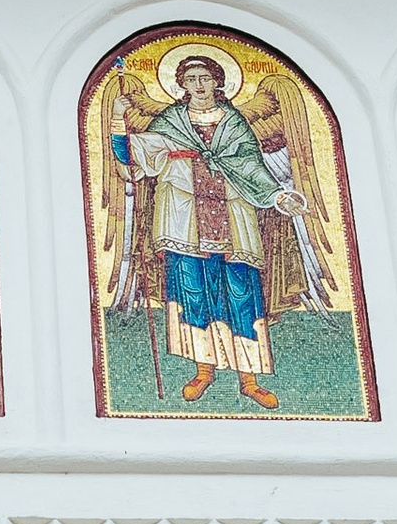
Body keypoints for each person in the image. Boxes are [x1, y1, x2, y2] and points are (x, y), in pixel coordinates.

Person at [108, 50, 330, 411]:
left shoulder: (234, 122)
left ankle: (249, 379)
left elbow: (253, 166)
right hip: (183, 213)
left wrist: (278, 196)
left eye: (205, 78)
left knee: (241, 292)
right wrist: (118, 119)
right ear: (181, 84)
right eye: (191, 79)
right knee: (194, 290)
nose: (198, 85)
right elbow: (132, 156)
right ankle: (203, 370)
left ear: (217, 82)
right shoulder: (171, 121)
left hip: (233, 211)